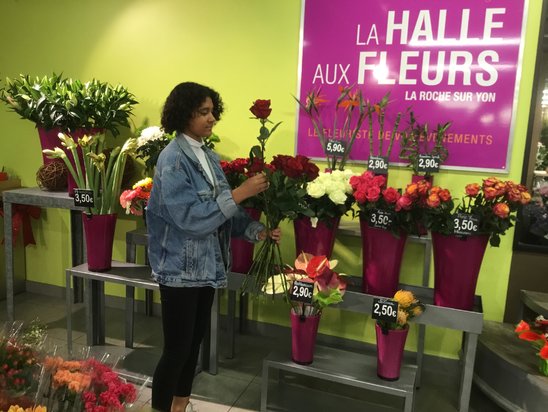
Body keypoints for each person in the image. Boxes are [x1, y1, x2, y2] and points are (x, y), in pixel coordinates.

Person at [146, 81, 280, 412]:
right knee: (176, 349)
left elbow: (222, 210)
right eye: (203, 112)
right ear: (184, 114)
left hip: (207, 267)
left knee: (192, 346)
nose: (211, 119)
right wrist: (241, 193)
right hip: (179, 268)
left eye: (212, 112)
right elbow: (190, 219)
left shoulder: (206, 154)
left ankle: (180, 404)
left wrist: (255, 230)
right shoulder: (174, 160)